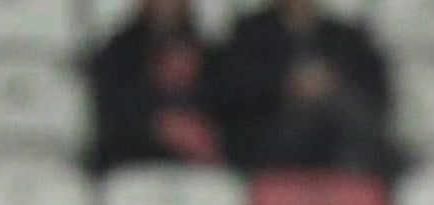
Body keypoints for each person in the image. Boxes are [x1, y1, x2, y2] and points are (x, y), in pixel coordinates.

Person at [216, 0, 394, 173]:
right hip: (274, 135)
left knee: (347, 110)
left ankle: (353, 176)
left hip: (337, 135)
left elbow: (375, 89)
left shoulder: (345, 37)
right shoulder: (251, 33)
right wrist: (288, 86)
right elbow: (236, 89)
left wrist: (331, 83)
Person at [88, 0, 227, 170]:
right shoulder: (117, 54)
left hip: (201, 168)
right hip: (133, 164)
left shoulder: (214, 56)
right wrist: (162, 127)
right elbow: (113, 117)